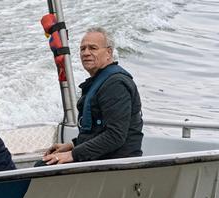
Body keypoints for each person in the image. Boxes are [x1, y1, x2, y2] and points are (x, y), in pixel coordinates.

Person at [42, 26, 143, 165]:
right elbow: (98, 130)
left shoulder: (115, 85)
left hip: (116, 165)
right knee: (46, 160)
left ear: (108, 52)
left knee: (45, 166)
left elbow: (115, 136)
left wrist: (73, 154)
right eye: (82, 49)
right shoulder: (100, 81)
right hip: (101, 159)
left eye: (93, 48)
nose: (86, 53)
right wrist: (73, 144)